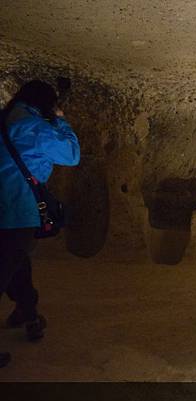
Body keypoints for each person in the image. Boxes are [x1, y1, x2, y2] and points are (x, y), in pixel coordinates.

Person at [0, 80, 80, 367]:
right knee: (7, 265)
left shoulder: (7, 116)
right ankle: (27, 311)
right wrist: (60, 122)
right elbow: (71, 155)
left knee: (16, 263)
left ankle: (28, 313)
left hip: (6, 207)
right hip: (16, 211)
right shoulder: (33, 126)